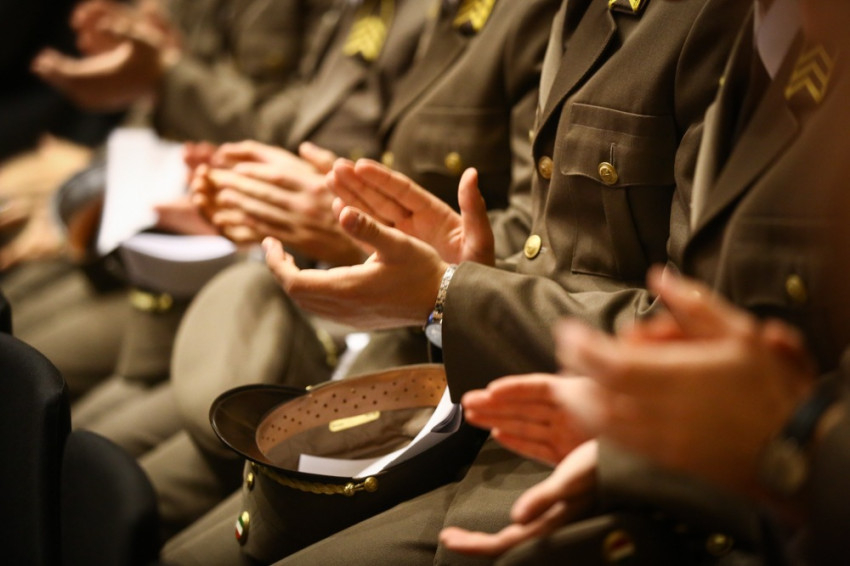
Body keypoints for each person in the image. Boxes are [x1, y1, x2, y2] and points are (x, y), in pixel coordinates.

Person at [249, 0, 750, 564]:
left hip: (607, 455)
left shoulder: (714, 18)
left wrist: (452, 293)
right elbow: (552, 244)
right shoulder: (578, 12)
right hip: (492, 390)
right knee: (252, 503)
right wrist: (467, 268)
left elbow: (692, 329)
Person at [438, 0, 850, 563]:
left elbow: (683, 319)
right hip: (646, 470)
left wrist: (447, 294)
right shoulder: (776, 33)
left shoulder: (725, 20)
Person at [160, 0, 560, 563]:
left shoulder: (539, 15)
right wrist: (282, 195)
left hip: (477, 374)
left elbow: (542, 239)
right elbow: (327, 126)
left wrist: (362, 235)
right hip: (395, 331)